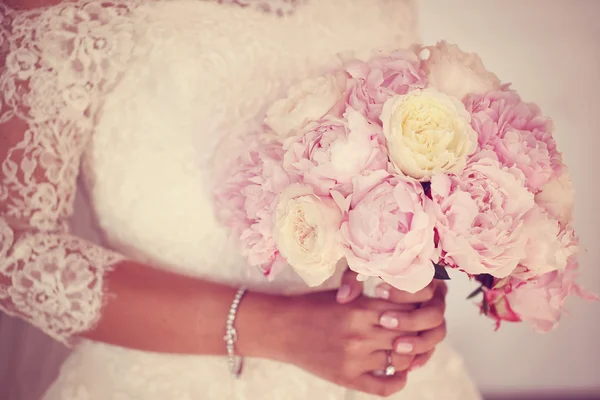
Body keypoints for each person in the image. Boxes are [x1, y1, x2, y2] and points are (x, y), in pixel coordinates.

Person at [0, 0, 482, 398]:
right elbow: (15, 254)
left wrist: (412, 276)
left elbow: (406, 165)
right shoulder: (68, 12)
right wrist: (276, 328)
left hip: (381, 374)